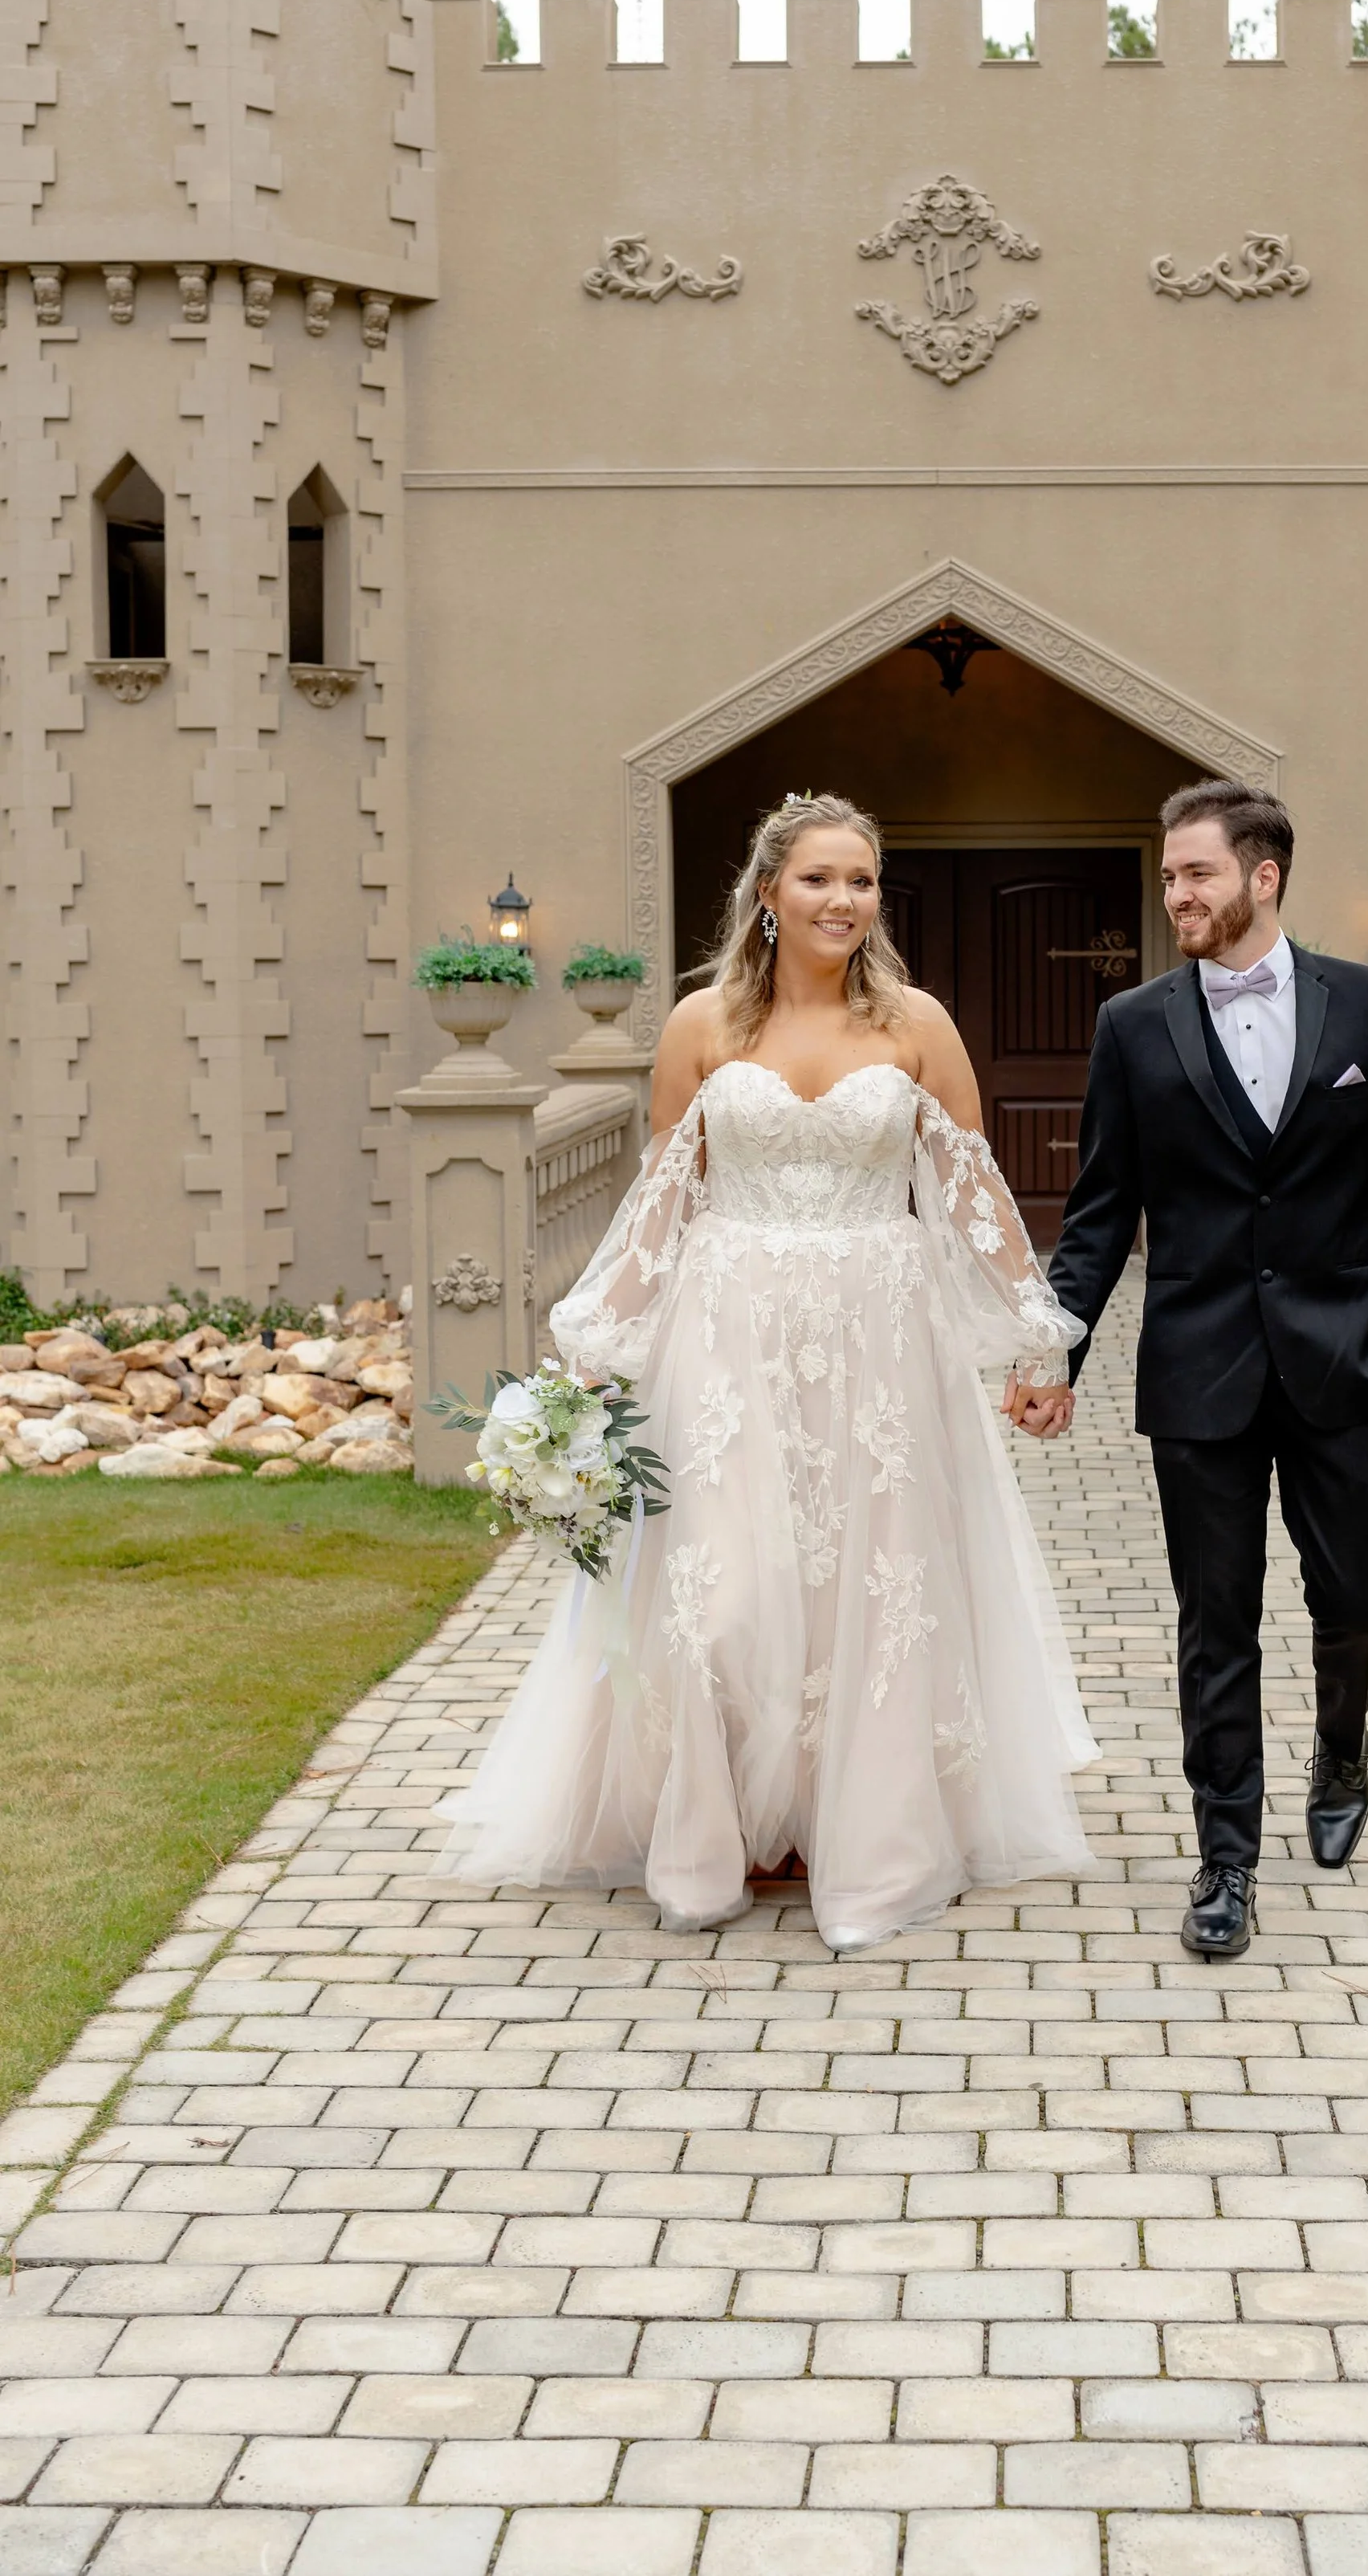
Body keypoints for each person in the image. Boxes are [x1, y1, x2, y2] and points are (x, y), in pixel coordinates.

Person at [440, 793, 1097, 1951]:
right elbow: (659, 1208)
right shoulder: (701, 1026)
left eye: (862, 881)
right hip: (727, 1338)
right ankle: (717, 1837)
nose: (844, 900)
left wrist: (1039, 1338)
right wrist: (593, 1357)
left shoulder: (917, 1025)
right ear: (766, 894)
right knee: (723, 1595)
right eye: (819, 880)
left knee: (870, 1595)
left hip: (881, 1346)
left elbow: (974, 1197)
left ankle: (865, 1846)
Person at [1009, 778, 1368, 1961]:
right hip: (1199, 1364)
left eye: (1195, 873)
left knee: (1355, 1591)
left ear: (1263, 877)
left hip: (1346, 1359)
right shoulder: (1133, 1026)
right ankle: (1226, 1860)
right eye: (1168, 876)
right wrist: (1054, 1353)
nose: (1177, 895)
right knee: (1217, 1621)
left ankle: (1344, 1747)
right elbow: (1099, 1213)